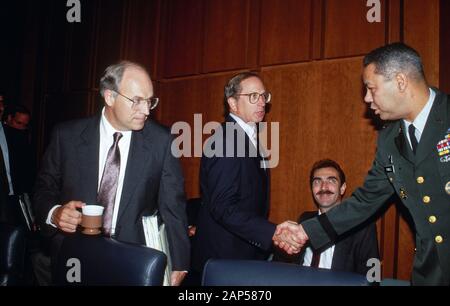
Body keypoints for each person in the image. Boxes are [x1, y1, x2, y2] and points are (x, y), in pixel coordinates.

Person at [276, 42, 450, 285]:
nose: (367, 98)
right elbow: (366, 201)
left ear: (400, 82)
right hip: (430, 273)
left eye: (371, 88)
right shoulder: (389, 139)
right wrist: (306, 231)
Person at [34, 61, 190, 285]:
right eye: (137, 101)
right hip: (73, 257)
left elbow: (173, 206)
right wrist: (54, 213)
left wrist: (180, 262)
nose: (146, 110)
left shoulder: (162, 141)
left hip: (133, 260)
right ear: (110, 97)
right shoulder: (66, 136)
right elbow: (43, 189)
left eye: (149, 101)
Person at [191, 72, 299, 282]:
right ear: (232, 103)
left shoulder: (247, 137)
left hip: (242, 254)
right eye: (253, 96)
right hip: (224, 259)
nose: (261, 102)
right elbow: (224, 207)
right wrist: (272, 232)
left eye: (263, 96)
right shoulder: (224, 141)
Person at [276, 159, 379, 275]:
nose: (324, 187)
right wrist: (281, 240)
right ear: (312, 189)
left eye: (331, 181)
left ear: (342, 188)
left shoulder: (363, 227)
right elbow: (285, 263)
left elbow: (372, 276)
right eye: (317, 182)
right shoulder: (305, 219)